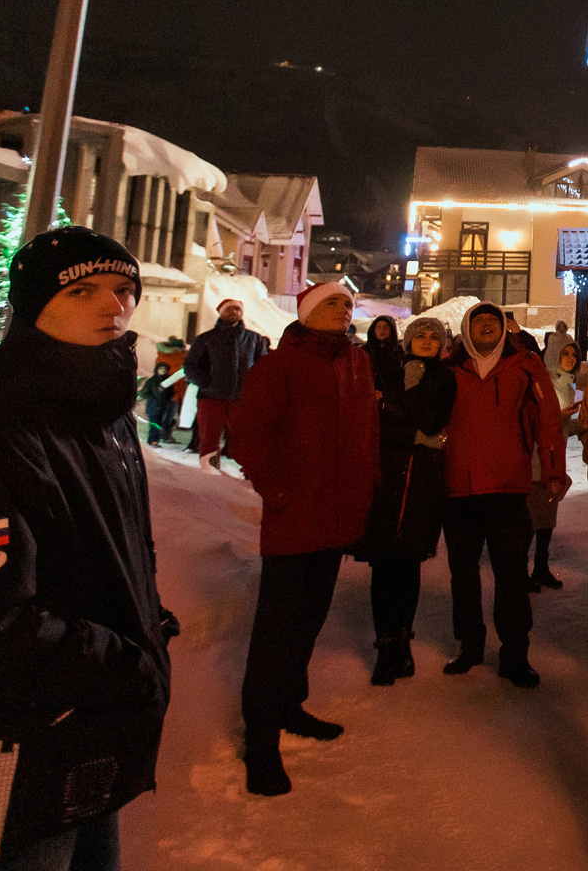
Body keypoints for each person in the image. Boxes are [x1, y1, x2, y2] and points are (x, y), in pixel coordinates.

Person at [0, 227, 175, 871]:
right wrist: (126, 665)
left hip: (91, 736)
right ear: (33, 310)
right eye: (84, 291)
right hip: (10, 757)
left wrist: (143, 623)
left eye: (123, 289)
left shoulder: (105, 419)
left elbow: (102, 551)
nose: (114, 306)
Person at [229, 280, 381, 797]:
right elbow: (247, 433)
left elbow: (368, 430)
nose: (344, 309)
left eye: (348, 303)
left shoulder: (356, 362)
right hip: (296, 517)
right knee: (277, 630)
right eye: (334, 303)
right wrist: (278, 489)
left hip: (338, 517)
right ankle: (261, 743)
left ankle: (290, 707)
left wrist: (369, 483)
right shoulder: (277, 366)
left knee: (310, 620)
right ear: (308, 312)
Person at [439, 302, 566, 686]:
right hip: (458, 486)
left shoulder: (525, 364)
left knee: (511, 572)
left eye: (493, 321)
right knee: (462, 573)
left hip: (509, 485)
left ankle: (515, 654)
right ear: (466, 328)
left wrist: (553, 468)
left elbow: (548, 420)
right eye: (479, 321)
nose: (487, 326)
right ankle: (470, 645)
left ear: (504, 328)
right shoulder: (448, 369)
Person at [358, 317, 458, 686]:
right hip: (386, 481)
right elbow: (376, 426)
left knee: (409, 564)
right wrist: (413, 432)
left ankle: (404, 641)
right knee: (384, 566)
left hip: (422, 483)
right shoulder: (385, 372)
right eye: (421, 336)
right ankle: (386, 647)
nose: (428, 341)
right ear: (409, 340)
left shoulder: (445, 378)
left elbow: (434, 421)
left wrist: (396, 404)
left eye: (435, 337)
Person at [530, 335, 588, 591]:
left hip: (555, 458)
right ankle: (524, 571)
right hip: (538, 459)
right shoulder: (541, 384)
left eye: (574, 355)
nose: (570, 359)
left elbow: (561, 426)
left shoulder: (566, 385)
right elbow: (533, 421)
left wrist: (580, 424)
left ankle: (540, 568)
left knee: (547, 518)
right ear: (553, 354)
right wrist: (558, 416)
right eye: (564, 354)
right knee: (532, 518)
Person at [185, 297, 269, 467]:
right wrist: (207, 382)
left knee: (246, 438)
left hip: (242, 398)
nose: (234, 312)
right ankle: (210, 473)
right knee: (209, 439)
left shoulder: (254, 339)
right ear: (221, 313)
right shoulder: (205, 339)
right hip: (211, 398)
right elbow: (190, 365)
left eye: (237, 309)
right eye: (229, 309)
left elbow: (265, 366)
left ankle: (247, 477)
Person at [142, 334, 189, 446]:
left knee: (164, 415)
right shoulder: (181, 357)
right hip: (173, 392)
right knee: (168, 415)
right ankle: (164, 435)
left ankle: (160, 436)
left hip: (166, 392)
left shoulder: (162, 356)